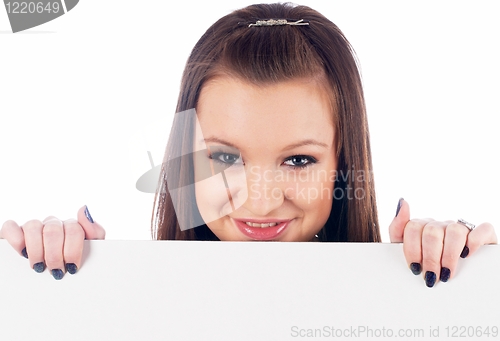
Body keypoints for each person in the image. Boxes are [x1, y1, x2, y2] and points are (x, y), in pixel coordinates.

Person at [0, 3, 496, 287]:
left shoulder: (402, 296)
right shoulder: (120, 293)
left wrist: (469, 277)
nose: (260, 200)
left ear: (343, 163)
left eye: (299, 160)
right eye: (224, 157)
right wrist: (72, 293)